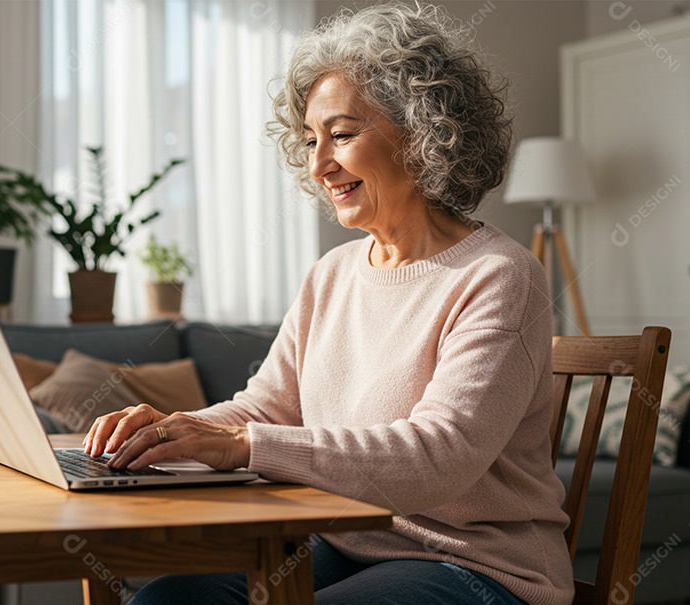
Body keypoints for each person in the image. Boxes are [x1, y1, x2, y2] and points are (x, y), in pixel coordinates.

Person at [83, 3, 573, 604]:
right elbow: (266, 409)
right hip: (343, 540)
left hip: (474, 564)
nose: (318, 165)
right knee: (170, 600)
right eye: (311, 140)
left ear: (424, 131)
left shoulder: (499, 275)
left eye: (341, 135)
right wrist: (171, 433)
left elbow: (439, 457)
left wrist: (241, 445)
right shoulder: (332, 274)